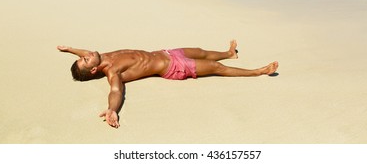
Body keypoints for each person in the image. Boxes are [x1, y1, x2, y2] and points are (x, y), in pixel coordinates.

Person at [57, 40, 278, 128]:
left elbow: (85, 54)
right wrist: (112, 110)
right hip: (173, 68)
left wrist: (70, 50)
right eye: (85, 59)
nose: (86, 54)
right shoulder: (113, 71)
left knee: (201, 51)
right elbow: (116, 90)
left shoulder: (101, 56)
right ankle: (258, 71)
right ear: (94, 69)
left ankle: (228, 53)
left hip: (166, 53)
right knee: (216, 69)